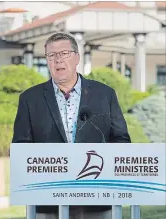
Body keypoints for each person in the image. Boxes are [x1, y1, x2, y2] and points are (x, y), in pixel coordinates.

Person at [12, 32, 131, 219]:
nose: (58, 60)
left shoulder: (104, 94)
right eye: (51, 55)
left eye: (64, 53)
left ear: (77, 57)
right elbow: (21, 147)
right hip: (48, 201)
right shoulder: (29, 99)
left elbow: (121, 140)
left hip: (96, 199)